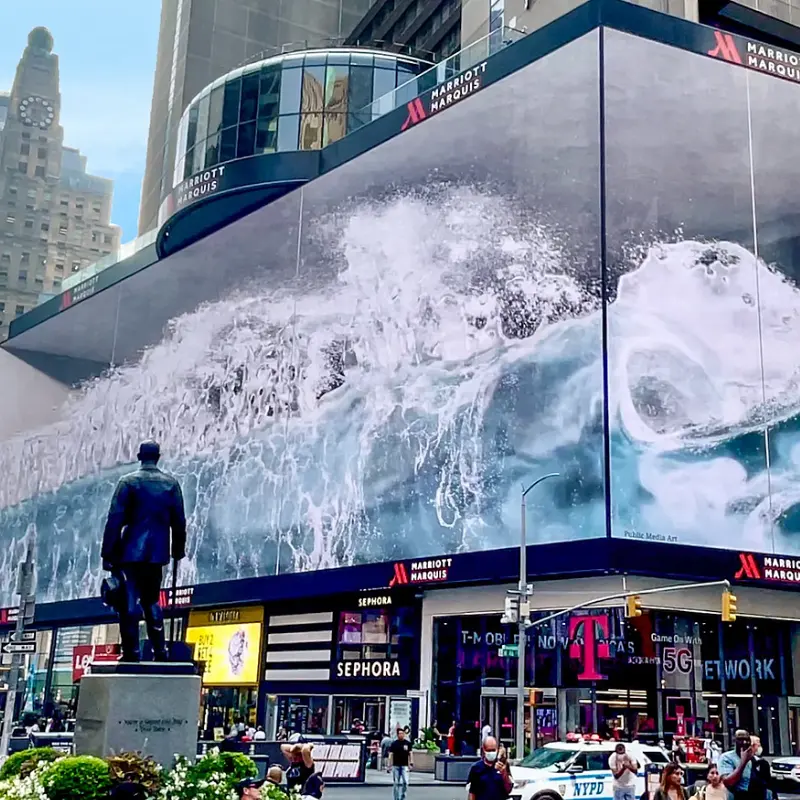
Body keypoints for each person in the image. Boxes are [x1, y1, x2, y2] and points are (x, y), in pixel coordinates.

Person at [101, 440, 187, 662]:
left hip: (130, 552)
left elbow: (114, 520)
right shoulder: (171, 484)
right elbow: (179, 522)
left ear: (139, 456)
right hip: (156, 555)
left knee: (128, 603)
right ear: (158, 457)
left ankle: (131, 653)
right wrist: (178, 549)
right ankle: (160, 652)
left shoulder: (128, 482)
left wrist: (108, 554)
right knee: (151, 601)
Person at [466, 735, 512, 800]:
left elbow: (509, 790)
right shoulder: (476, 768)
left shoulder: (503, 765)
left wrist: (504, 773)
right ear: (484, 750)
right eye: (489, 750)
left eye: (493, 750)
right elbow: (472, 792)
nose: (491, 753)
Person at [719, 730, 755, 800]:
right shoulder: (726, 757)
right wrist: (743, 762)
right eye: (740, 739)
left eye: (747, 740)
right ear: (734, 741)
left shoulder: (755, 759)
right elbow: (729, 782)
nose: (744, 742)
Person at [388, 727, 414, 800]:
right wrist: (389, 765)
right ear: (397, 735)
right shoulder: (394, 744)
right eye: (399, 734)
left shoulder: (407, 743)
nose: (401, 735)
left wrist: (411, 762)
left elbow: (410, 753)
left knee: (405, 782)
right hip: (396, 765)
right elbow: (391, 754)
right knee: (396, 783)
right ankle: (396, 798)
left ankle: (403, 796)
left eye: (402, 733)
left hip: (404, 765)